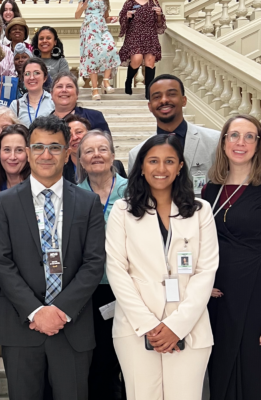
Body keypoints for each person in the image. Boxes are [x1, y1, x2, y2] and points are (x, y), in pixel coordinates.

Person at [0, 115, 106, 400]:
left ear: (68, 154)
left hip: (72, 327)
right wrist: (36, 311)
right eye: (38, 147)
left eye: (55, 147)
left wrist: (60, 310)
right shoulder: (4, 202)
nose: (46, 154)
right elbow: (1, 262)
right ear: (27, 153)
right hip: (21, 326)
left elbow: (94, 263)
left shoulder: (88, 202)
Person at [106, 134, 219, 400]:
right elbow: (117, 270)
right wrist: (148, 325)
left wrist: (176, 326)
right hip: (136, 330)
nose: (161, 169)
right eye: (153, 161)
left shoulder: (201, 211)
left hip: (189, 330)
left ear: (180, 166)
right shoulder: (122, 211)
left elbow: (205, 271)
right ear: (141, 166)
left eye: (169, 161)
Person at [202, 115, 261, 400]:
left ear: (258, 144)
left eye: (249, 136)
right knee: (219, 374)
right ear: (223, 142)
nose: (241, 142)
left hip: (254, 298)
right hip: (217, 299)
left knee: (251, 374)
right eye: (234, 135)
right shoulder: (210, 190)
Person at [75, 130, 127, 400]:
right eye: (89, 151)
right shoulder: (72, 196)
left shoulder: (132, 192)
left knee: (129, 360)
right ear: (80, 161)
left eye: (102, 149)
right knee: (98, 360)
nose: (96, 155)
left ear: (113, 156)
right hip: (89, 291)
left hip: (127, 291)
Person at [128, 75, 220, 196]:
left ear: (184, 100)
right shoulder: (137, 154)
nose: (164, 100)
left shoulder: (215, 142)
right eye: (157, 97)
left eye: (171, 94)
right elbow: (135, 197)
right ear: (150, 106)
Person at [119, 0, 166, 97]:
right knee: (137, 59)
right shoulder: (130, 3)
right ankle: (128, 81)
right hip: (134, 35)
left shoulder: (153, 2)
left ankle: (149, 92)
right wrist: (127, 17)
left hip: (150, 35)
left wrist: (159, 15)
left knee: (150, 63)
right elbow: (122, 22)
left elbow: (160, 25)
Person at [75, 0, 120, 100]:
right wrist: (83, 7)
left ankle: (105, 81)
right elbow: (76, 15)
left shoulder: (105, 1)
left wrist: (111, 19)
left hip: (102, 28)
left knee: (111, 48)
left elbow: (106, 17)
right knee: (92, 57)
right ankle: (94, 89)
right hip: (89, 29)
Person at [63, 115, 125, 183]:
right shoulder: (61, 172)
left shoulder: (116, 166)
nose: (74, 138)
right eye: (69, 135)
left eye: (79, 132)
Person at [9, 58, 55, 127]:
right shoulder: (15, 105)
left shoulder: (53, 101)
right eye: (27, 74)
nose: (31, 77)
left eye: (36, 73)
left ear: (45, 78)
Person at [0, 124, 31, 190]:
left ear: (28, 153)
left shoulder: (37, 188)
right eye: (7, 150)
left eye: (19, 150)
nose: (12, 157)